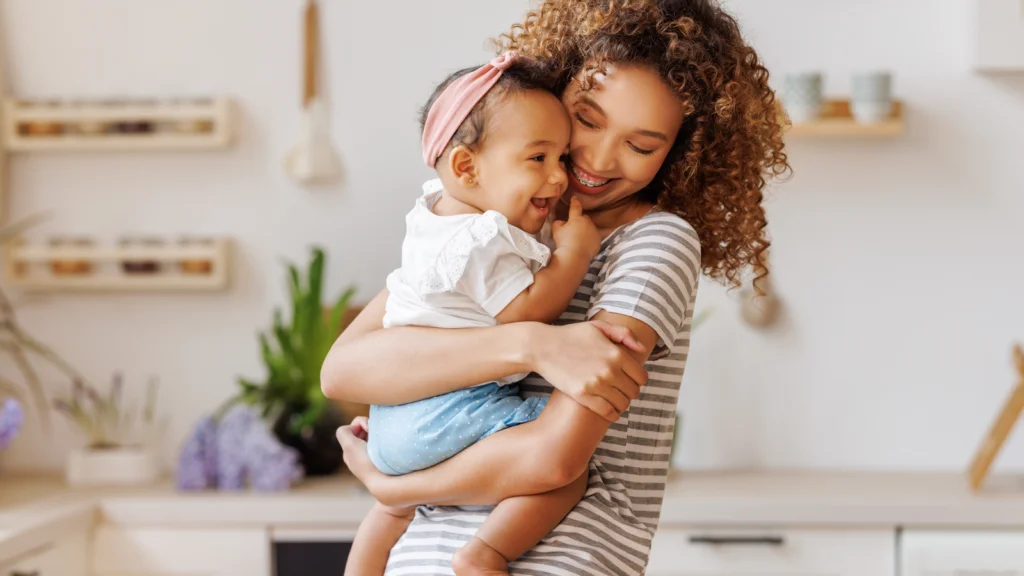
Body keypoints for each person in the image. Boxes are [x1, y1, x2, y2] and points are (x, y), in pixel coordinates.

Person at [322, 0, 789, 573]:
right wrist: (534, 344)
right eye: (587, 119)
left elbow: (552, 459)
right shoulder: (500, 226)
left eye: (640, 146)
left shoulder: (654, 243)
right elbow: (343, 370)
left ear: (680, 155)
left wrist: (397, 490)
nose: (594, 157)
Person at [350, 52, 612, 575]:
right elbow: (527, 311)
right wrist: (575, 254)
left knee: (391, 505)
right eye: (538, 159)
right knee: (566, 466)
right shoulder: (480, 239)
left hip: (394, 421)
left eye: (561, 158)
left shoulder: (434, 215)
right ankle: (487, 552)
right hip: (449, 410)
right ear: (466, 167)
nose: (559, 179)